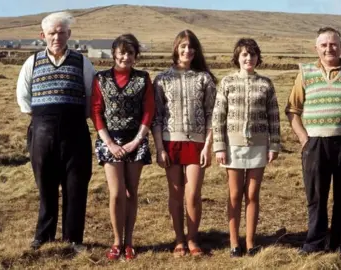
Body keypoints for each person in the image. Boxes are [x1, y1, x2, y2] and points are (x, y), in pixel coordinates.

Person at [285, 27, 341, 259]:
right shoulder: (305, 72)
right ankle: (314, 243)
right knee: (316, 197)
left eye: (333, 44)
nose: (329, 48)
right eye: (323, 45)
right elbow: (293, 110)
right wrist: (304, 139)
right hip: (316, 145)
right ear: (316, 48)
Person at [16, 12, 95, 252]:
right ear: (43, 35)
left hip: (76, 133)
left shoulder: (83, 62)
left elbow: (91, 96)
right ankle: (44, 236)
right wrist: (44, 118)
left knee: (76, 185)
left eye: (61, 32)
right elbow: (23, 97)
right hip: (42, 132)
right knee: (46, 186)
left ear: (69, 34)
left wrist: (73, 117)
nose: (57, 37)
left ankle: (73, 239)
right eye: (52, 33)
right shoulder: (32, 62)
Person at [212, 38, 281, 257]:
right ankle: (234, 241)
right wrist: (219, 146)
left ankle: (251, 242)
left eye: (252, 54)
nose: (248, 58)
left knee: (252, 194)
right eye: (244, 54)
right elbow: (218, 116)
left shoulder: (266, 84)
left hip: (259, 145)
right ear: (237, 58)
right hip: (233, 146)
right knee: (234, 194)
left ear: (258, 58)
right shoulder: (227, 82)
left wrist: (275, 144)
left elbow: (274, 117)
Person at [151, 29, 216, 257]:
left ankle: (193, 238)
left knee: (193, 194)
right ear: (176, 49)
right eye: (183, 47)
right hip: (170, 142)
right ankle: (179, 238)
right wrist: (159, 149)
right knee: (176, 194)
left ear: (195, 51)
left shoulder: (204, 78)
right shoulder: (162, 79)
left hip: (197, 144)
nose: (187, 51)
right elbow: (156, 117)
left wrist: (208, 145)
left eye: (190, 47)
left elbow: (212, 114)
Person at [90, 34, 154, 261]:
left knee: (131, 192)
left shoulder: (143, 78)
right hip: (110, 142)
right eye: (121, 52)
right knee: (117, 193)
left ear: (136, 56)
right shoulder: (101, 79)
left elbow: (148, 111)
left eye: (130, 52)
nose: (125, 56)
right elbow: (96, 111)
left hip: (136, 141)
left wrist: (137, 141)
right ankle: (117, 241)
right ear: (114, 53)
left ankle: (129, 242)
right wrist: (109, 143)